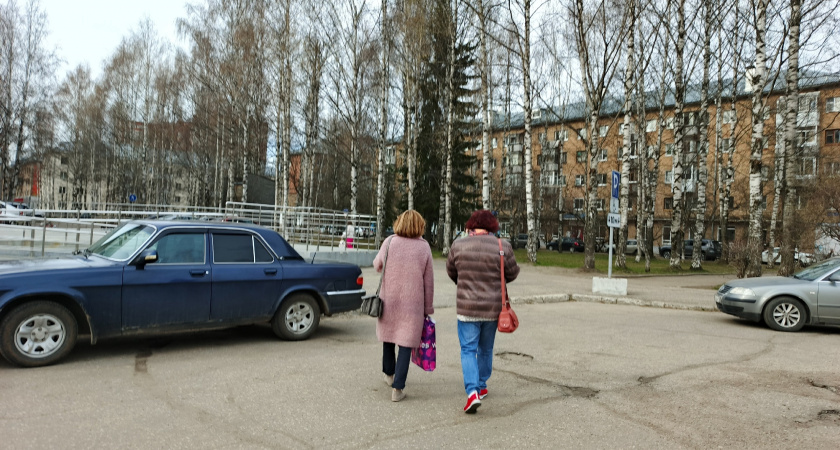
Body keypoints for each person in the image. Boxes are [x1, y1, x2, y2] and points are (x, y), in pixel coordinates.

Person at [446, 210, 519, 414]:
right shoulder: (501, 245)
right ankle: (481, 384)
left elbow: (452, 271)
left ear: (471, 225)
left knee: (468, 349)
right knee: (486, 349)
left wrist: (464, 284)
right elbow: (512, 273)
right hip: (493, 309)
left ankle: (472, 393)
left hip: (467, 308)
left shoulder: (458, 245)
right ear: (492, 226)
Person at [373, 210, 434, 402]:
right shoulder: (424, 247)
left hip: (389, 300)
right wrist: (428, 308)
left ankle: (389, 375)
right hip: (412, 305)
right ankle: (397, 389)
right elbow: (429, 282)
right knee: (406, 344)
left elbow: (377, 265)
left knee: (389, 338)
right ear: (420, 226)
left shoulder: (390, 241)